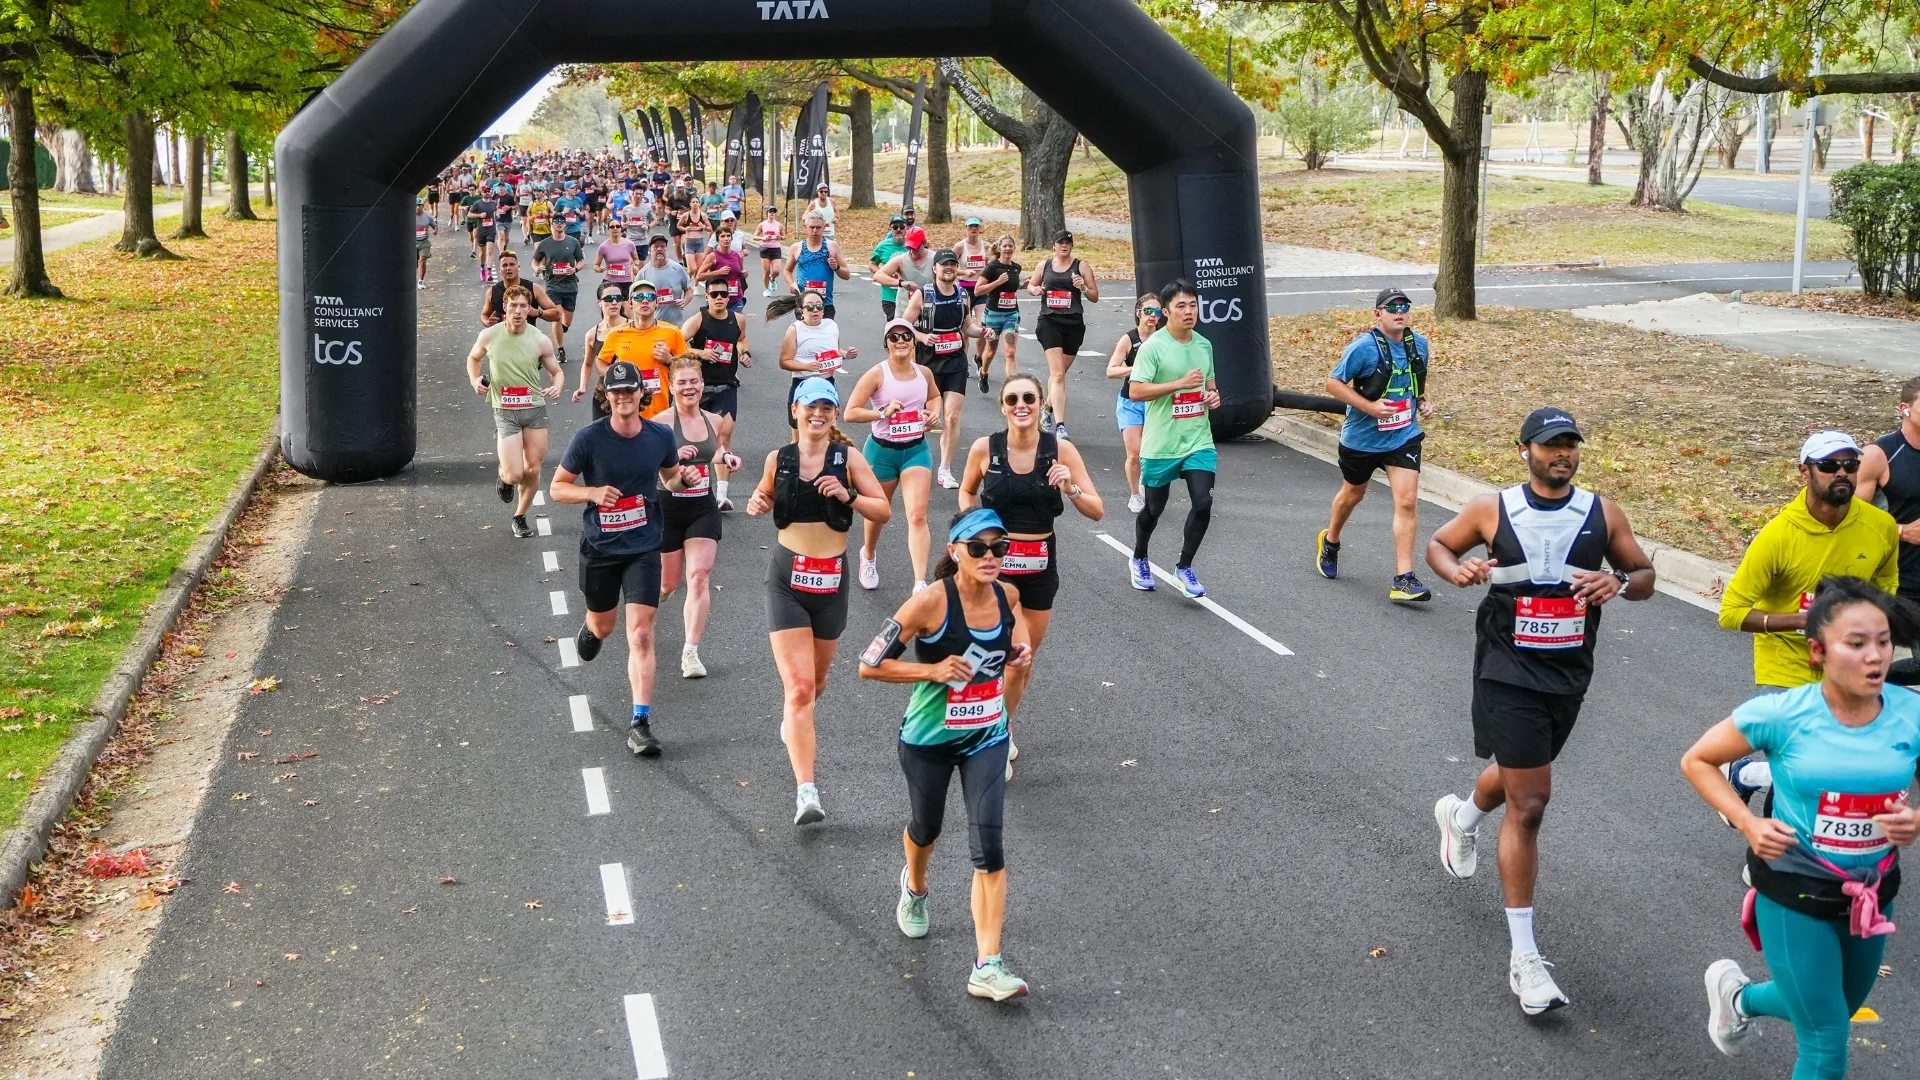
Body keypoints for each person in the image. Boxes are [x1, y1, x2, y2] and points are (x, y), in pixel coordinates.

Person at [1427, 406, 1656, 1015]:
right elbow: (1439, 545)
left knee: (1520, 771)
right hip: (1505, 669)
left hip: (1568, 674)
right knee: (1529, 804)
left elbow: (1644, 573)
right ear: (1524, 450)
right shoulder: (1493, 508)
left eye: (1571, 444)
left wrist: (1619, 584)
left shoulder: (1603, 513)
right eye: (1552, 444)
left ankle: (1462, 819)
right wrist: (1457, 570)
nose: (1563, 453)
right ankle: (1525, 960)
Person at [1682, 576, 1920, 1079]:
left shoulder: (1911, 713)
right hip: (1795, 891)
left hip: (1872, 892)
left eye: (1883, 642)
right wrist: (1748, 822)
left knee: (1839, 1005)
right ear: (1818, 651)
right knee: (1825, 1043)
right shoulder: (1781, 715)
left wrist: (1916, 819)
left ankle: (1740, 999)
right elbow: (1698, 760)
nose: (1875, 656)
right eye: (1856, 644)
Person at [857, 507, 1034, 1002]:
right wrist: (931, 671)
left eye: (999, 547)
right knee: (926, 828)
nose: (990, 556)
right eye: (978, 548)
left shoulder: (1009, 595)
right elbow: (869, 665)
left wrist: (1017, 655)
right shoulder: (929, 603)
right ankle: (915, 887)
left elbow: (1012, 646)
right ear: (955, 552)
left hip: (987, 736)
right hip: (929, 738)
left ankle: (987, 965)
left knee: (989, 846)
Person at [744, 377, 891, 825]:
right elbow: (765, 495)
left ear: (834, 414)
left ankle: (795, 721)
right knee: (800, 687)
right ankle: (806, 791)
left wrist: (849, 495)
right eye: (810, 406)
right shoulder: (778, 458)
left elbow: (883, 510)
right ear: (795, 410)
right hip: (787, 580)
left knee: (818, 682)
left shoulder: (849, 459)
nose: (818, 414)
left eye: (827, 407)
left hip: (831, 583)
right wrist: (757, 501)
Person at [551, 360, 705, 758]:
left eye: (629, 390)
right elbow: (557, 488)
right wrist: (591, 493)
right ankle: (591, 629)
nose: (623, 397)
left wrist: (683, 479)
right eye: (616, 391)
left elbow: (670, 478)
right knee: (604, 626)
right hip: (601, 548)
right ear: (607, 396)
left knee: (640, 634)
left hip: (643, 546)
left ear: (641, 393)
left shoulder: (659, 435)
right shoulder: (588, 439)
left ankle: (640, 722)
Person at [960, 372, 1102, 778]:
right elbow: (967, 491)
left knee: (1022, 661)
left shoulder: (1060, 450)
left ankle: (1001, 723)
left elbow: (1096, 510)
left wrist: (1071, 488)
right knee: (1012, 654)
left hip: (1040, 567)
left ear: (1042, 405)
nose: (1021, 405)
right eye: (1012, 399)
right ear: (1003, 407)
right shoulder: (985, 448)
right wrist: (974, 528)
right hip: (994, 570)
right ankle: (994, 739)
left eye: (1029, 398)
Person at [1719, 431, 1899, 691]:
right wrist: (1804, 620)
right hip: (1786, 671)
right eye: (1828, 465)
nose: (1841, 472)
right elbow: (1731, 613)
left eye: (1850, 465)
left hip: (1850, 668)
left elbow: (1887, 581)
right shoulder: (1777, 536)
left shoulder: (1881, 525)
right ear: (1805, 471)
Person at [1316, 287, 1435, 603]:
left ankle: (1404, 580)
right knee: (1353, 495)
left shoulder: (1419, 344)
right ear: (1377, 313)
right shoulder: (1363, 347)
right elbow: (1333, 383)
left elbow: (1413, 381)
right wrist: (1370, 407)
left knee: (1407, 501)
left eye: (1404, 307)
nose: (1399, 312)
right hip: (1362, 440)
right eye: (1392, 307)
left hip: (1403, 436)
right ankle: (1330, 541)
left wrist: (1422, 401)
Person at [1125, 280, 1219, 599]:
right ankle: (1139, 556)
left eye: (1193, 304)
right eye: (1181, 306)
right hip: (1162, 443)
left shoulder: (1204, 345)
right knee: (1153, 508)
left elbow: (1210, 386)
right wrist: (1179, 384)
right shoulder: (1153, 347)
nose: (1189, 311)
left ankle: (1184, 566)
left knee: (1203, 502)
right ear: (1165, 312)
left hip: (1198, 439)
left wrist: (1212, 397)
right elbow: (1135, 391)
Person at [844, 320, 943, 592]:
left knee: (918, 515)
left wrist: (934, 413)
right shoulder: (877, 374)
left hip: (915, 451)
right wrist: (882, 413)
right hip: (882, 452)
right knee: (879, 514)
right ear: (886, 343)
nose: (900, 341)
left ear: (913, 342)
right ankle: (868, 555)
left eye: (906, 336)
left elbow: (935, 397)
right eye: (894, 337)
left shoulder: (924, 373)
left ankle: (920, 582)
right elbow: (850, 412)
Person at [659, 357, 741, 680]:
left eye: (694, 381)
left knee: (698, 576)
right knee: (667, 584)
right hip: (667, 506)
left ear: (702, 384)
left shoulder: (714, 420)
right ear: (671, 386)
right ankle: (645, 603)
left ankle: (690, 652)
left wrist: (727, 457)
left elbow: (713, 451)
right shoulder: (660, 424)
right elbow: (645, 463)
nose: (689, 387)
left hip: (702, 506)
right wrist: (674, 462)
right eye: (682, 382)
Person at [465, 287, 564, 539]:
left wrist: (557, 386)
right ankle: (504, 476)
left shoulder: (540, 339)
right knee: (514, 473)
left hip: (534, 409)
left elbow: (557, 372)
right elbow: (473, 358)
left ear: (529, 309)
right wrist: (475, 379)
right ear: (505, 308)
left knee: (533, 469)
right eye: (513, 306)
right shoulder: (490, 335)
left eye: (522, 306)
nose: (518, 311)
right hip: (505, 411)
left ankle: (519, 516)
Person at [901, 251, 983, 491]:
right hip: (929, 363)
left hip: (956, 362)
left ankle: (945, 469)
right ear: (935, 268)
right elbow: (904, 325)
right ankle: (912, 460)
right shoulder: (923, 294)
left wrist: (982, 332)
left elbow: (967, 326)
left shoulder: (963, 295)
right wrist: (921, 336)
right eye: (944, 264)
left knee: (952, 416)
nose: (948, 268)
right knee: (927, 417)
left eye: (952, 265)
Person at [681, 279, 752, 508]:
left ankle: (721, 496)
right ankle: (694, 489)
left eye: (723, 294)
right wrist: (700, 353)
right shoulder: (698, 319)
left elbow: (741, 339)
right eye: (714, 294)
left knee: (724, 437)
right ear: (707, 297)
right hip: (699, 388)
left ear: (729, 297)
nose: (719, 298)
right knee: (695, 438)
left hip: (726, 386)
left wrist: (745, 353)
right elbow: (678, 344)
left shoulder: (738, 320)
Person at [1852, 378, 1920, 608]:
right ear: (1905, 409)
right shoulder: (1879, 455)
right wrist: (1901, 531)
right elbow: (1850, 519)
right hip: (1896, 585)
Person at [1024, 230, 1098, 441]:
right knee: (1057, 375)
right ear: (1054, 246)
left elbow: (1094, 296)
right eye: (1060, 243)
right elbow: (1031, 285)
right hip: (1049, 321)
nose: (1064, 246)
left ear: (1071, 246)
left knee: (1060, 374)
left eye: (1068, 243)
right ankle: (1060, 426)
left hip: (1073, 323)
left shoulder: (1082, 266)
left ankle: (1047, 407)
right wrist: (1034, 290)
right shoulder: (1044, 265)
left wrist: (1083, 287)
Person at [590, 282, 685, 423]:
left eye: (650, 297)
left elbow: (687, 368)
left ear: (656, 302)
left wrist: (669, 360)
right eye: (639, 297)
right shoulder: (616, 333)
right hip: (627, 411)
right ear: (630, 303)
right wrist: (616, 377)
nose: (645, 300)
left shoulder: (672, 332)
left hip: (659, 411)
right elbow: (601, 361)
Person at [1106, 295, 1161, 515]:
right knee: (1134, 454)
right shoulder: (1129, 339)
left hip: (1156, 403)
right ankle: (1135, 494)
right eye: (1148, 311)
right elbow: (1111, 370)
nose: (1152, 316)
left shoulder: (1164, 339)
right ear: (1138, 312)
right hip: (1130, 402)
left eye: (1157, 312)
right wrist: (1136, 368)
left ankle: (1148, 486)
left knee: (1152, 453)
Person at [778, 290, 855, 433]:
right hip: (802, 383)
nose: (815, 310)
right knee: (799, 433)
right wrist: (806, 367)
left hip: (827, 384)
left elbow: (836, 351)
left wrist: (846, 354)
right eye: (810, 307)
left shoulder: (831, 325)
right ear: (801, 310)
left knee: (829, 431)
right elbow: (784, 361)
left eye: (819, 306)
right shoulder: (795, 329)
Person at [531, 224, 586, 364]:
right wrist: (537, 268)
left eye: (562, 221)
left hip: (570, 286)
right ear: (552, 224)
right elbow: (534, 262)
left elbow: (581, 261)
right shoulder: (545, 243)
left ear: (565, 224)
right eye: (556, 221)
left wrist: (574, 269)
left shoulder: (573, 242)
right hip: (552, 285)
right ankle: (561, 350)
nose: (559, 223)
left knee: (567, 321)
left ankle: (561, 329)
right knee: (557, 315)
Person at [576, 284, 630, 421]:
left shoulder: (632, 327)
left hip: (629, 390)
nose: (614, 302)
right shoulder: (592, 334)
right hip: (604, 391)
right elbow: (588, 363)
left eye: (618, 298)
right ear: (599, 302)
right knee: (602, 431)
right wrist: (582, 387)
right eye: (609, 298)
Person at [975, 235, 1022, 388]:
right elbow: (978, 290)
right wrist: (997, 282)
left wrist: (1023, 285)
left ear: (1014, 248)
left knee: (1010, 352)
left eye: (1010, 246)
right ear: (999, 248)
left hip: (1011, 315)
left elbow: (1011, 287)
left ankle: (1013, 387)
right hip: (993, 315)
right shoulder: (992, 267)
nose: (1008, 248)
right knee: (991, 351)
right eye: (1005, 246)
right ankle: (984, 372)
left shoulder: (1016, 268)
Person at [783, 211, 848, 319]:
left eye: (818, 227)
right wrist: (792, 284)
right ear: (805, 227)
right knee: (804, 330)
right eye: (811, 227)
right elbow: (787, 271)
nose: (814, 231)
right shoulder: (797, 247)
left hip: (825, 305)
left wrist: (836, 267)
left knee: (826, 330)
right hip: (804, 305)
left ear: (824, 227)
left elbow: (846, 275)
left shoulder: (832, 247)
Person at [479, 250, 562, 330]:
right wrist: (487, 322)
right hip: (502, 338)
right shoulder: (492, 291)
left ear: (518, 267)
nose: (508, 268)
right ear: (499, 269)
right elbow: (484, 314)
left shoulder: (534, 288)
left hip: (527, 338)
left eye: (512, 264)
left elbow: (556, 314)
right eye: (504, 265)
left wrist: (537, 312)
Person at [953, 217, 991, 374]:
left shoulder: (986, 246)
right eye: (970, 226)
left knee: (983, 326)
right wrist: (964, 271)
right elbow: (949, 268)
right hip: (964, 290)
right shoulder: (959, 246)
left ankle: (978, 356)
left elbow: (991, 267)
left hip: (980, 290)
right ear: (966, 228)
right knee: (965, 331)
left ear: (980, 228)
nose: (973, 229)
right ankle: (963, 363)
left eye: (976, 226)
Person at [639, 234, 692, 325]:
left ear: (666, 249)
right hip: (652, 326)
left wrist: (685, 300)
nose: (659, 249)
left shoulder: (677, 269)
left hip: (674, 325)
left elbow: (689, 290)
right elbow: (634, 298)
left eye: (662, 246)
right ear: (649, 251)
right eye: (655, 247)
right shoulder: (643, 273)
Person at [869, 215, 909, 319]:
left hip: (909, 295)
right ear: (891, 229)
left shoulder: (912, 245)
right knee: (894, 324)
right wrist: (883, 273)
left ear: (906, 228)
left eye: (901, 227)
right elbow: (872, 264)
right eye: (895, 227)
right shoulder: (883, 246)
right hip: (889, 296)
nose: (898, 229)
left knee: (910, 325)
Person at [593, 221, 640, 301]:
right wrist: (599, 269)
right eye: (612, 227)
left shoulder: (629, 244)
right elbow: (595, 265)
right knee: (609, 307)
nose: (615, 228)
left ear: (621, 229)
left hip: (626, 281)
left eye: (617, 226)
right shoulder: (603, 247)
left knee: (626, 307)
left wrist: (634, 265)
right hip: (610, 282)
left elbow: (636, 259)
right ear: (609, 230)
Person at [469, 187, 500, 283]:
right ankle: (482, 268)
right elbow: (469, 214)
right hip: (481, 230)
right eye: (485, 191)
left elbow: (496, 210)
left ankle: (489, 272)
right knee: (482, 253)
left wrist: (497, 213)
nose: (487, 193)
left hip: (491, 230)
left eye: (488, 191)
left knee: (489, 251)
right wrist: (479, 215)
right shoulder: (477, 204)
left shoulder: (493, 203)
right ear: (482, 193)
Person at [755, 206, 785, 295]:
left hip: (776, 249)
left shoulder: (779, 225)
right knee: (767, 270)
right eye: (770, 211)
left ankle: (772, 279)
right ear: (767, 213)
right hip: (765, 249)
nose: (772, 213)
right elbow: (754, 237)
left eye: (774, 212)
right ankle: (766, 289)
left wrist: (780, 237)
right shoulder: (762, 224)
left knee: (776, 270)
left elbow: (784, 236)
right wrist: (763, 238)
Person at [414, 198, 436, 290]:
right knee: (414, 263)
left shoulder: (427, 216)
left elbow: (434, 225)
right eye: (415, 205)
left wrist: (435, 230)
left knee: (422, 261)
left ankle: (421, 281)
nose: (417, 207)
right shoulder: (408, 216)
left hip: (424, 242)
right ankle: (414, 278)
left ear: (423, 206)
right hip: (412, 243)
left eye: (419, 205)